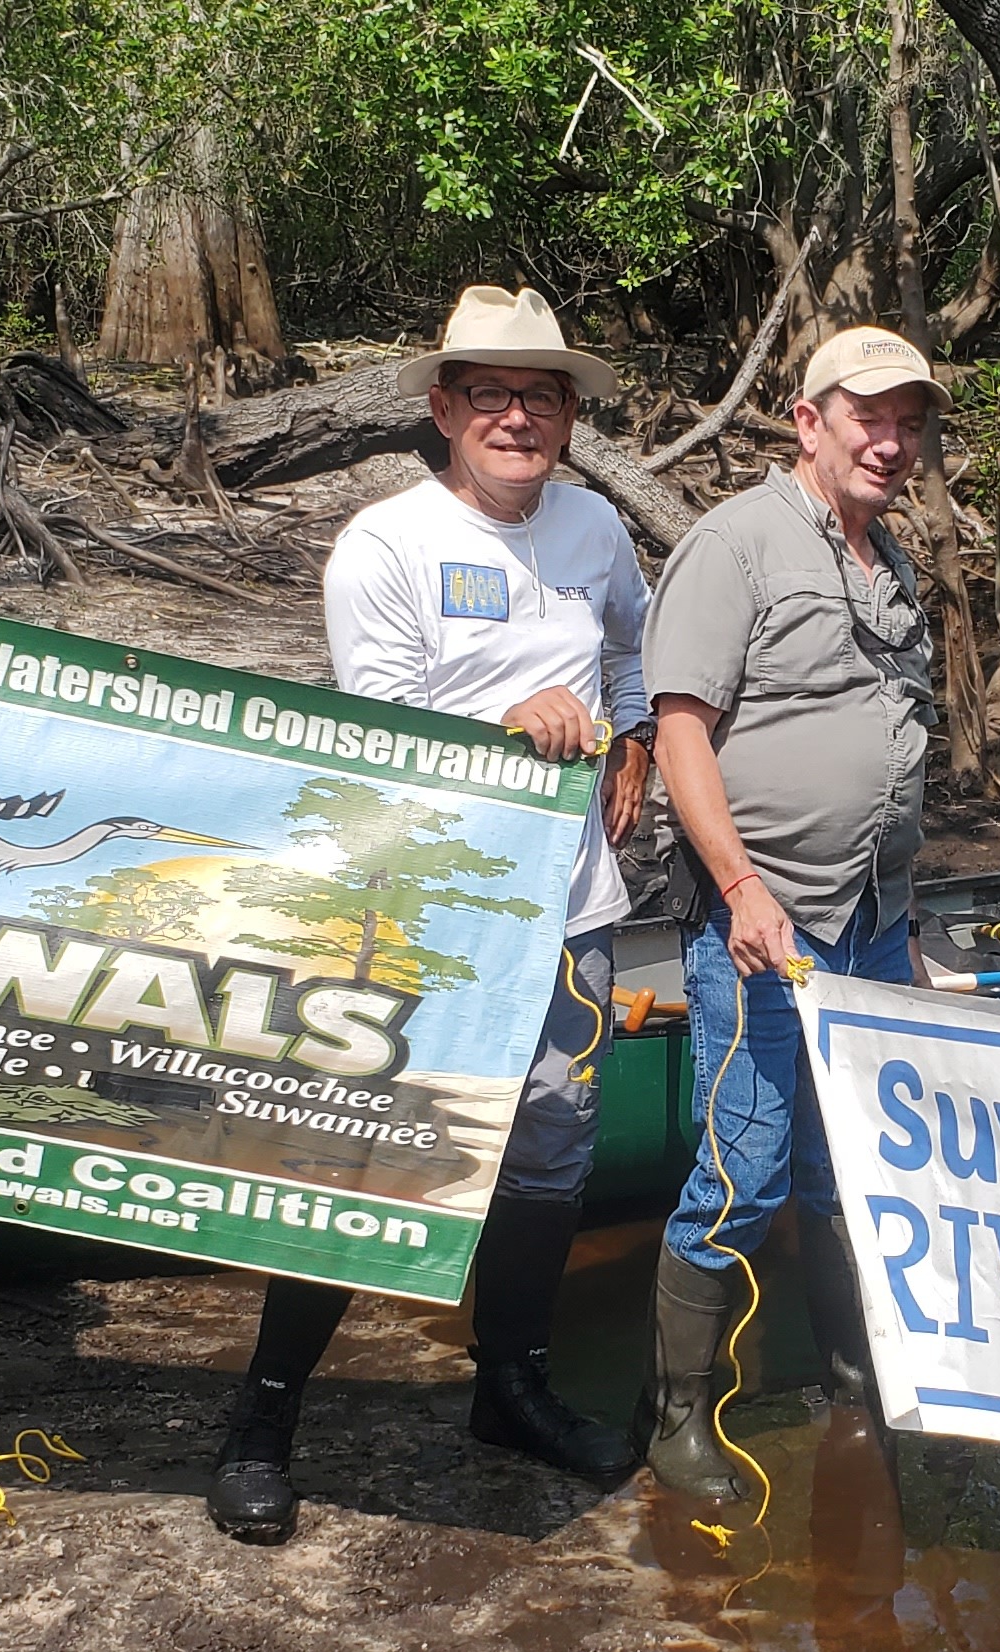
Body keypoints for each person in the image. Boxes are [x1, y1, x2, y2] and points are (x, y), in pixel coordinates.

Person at [206, 286, 658, 1544]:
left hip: (571, 907)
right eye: (494, 394)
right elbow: (378, 731)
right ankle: (264, 1420)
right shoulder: (385, 544)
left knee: (552, 1154)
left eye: (545, 395)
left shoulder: (597, 531)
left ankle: (509, 1388)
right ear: (445, 408)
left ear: (571, 415)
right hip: (422, 912)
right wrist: (504, 729)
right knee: (366, 1153)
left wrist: (624, 737)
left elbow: (632, 652)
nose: (520, 416)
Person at [637, 325, 946, 1502]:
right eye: (868, 415)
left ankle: (849, 1374)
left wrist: (904, 920)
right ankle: (676, 1419)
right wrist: (742, 889)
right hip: (765, 921)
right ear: (807, 421)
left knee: (844, 1164)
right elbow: (679, 735)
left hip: (869, 920)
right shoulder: (736, 547)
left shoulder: (888, 560)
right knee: (744, 1168)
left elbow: (892, 747)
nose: (892, 440)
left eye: (910, 420)